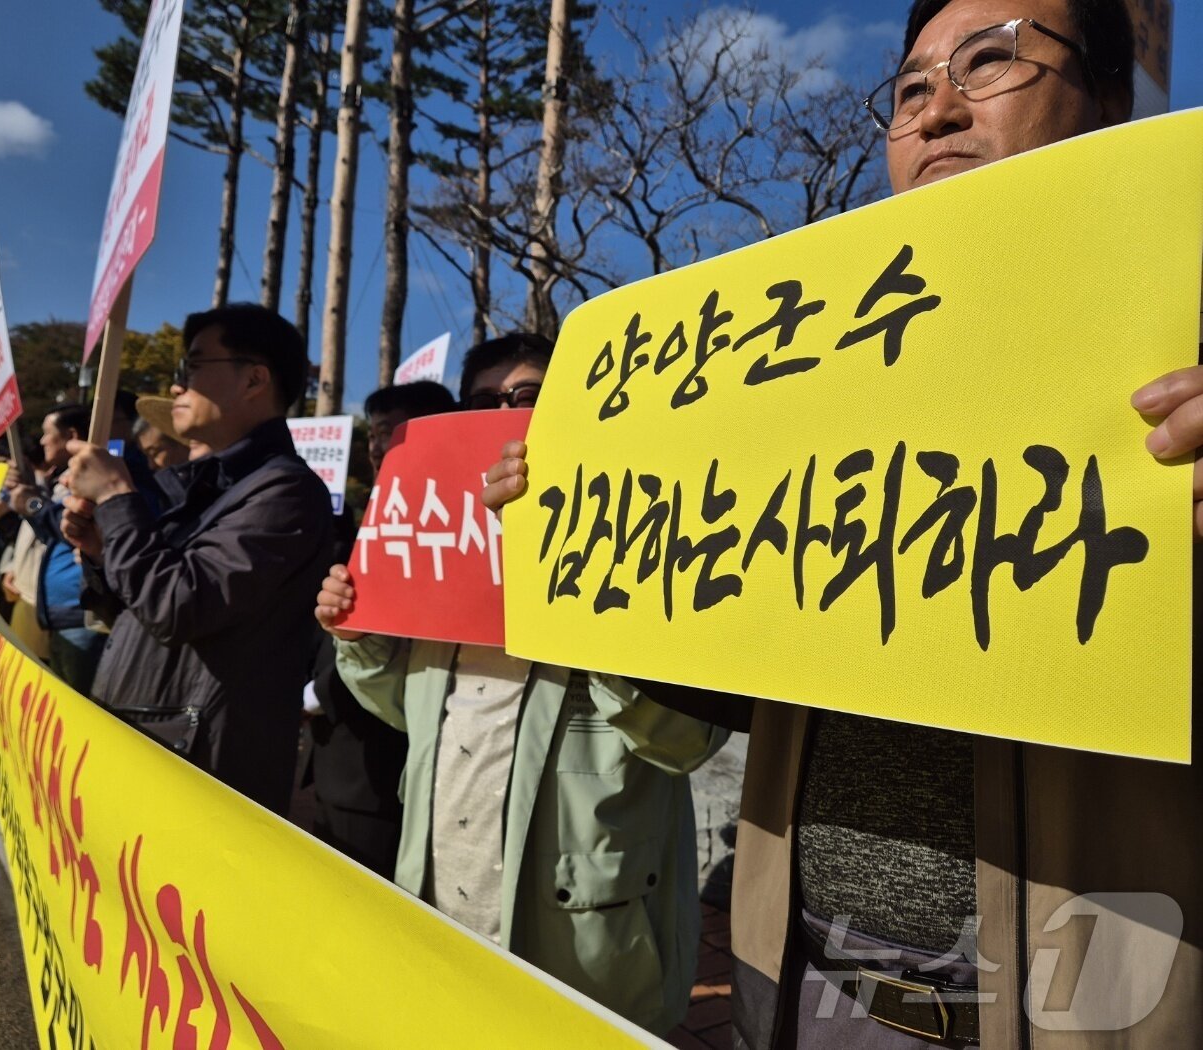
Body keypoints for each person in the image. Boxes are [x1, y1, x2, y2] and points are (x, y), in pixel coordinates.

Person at [483, 2, 1202, 1047]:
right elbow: (733, 677)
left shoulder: (1177, 334)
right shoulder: (807, 368)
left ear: (1104, 98)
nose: (939, 110)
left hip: (1075, 999)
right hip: (805, 981)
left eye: (989, 62)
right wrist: (589, 546)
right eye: (909, 89)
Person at [315, 333, 728, 1035]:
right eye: (483, 403)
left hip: (582, 949)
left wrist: (568, 563)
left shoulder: (638, 538)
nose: (505, 415)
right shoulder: (435, 553)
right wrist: (359, 637)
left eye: (529, 398)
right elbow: (403, 715)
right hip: (444, 908)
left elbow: (686, 740)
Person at [60, 303, 333, 815]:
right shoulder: (207, 489)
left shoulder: (286, 492)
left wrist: (119, 498)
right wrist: (102, 550)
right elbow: (140, 610)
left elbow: (179, 606)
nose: (178, 385)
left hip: (200, 770)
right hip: (154, 744)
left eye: (193, 367)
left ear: (254, 379)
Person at [301, 379, 456, 877]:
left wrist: (320, 691)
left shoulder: (452, 524)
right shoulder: (364, 510)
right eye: (373, 433)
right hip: (337, 752)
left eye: (392, 432)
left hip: (385, 761)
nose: (377, 446)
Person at [6, 404, 106, 694]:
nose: (41, 441)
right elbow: (44, 530)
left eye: (48, 433)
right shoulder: (55, 481)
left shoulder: (91, 479)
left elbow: (66, 527)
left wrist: (32, 504)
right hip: (59, 617)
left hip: (80, 616)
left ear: (72, 435)